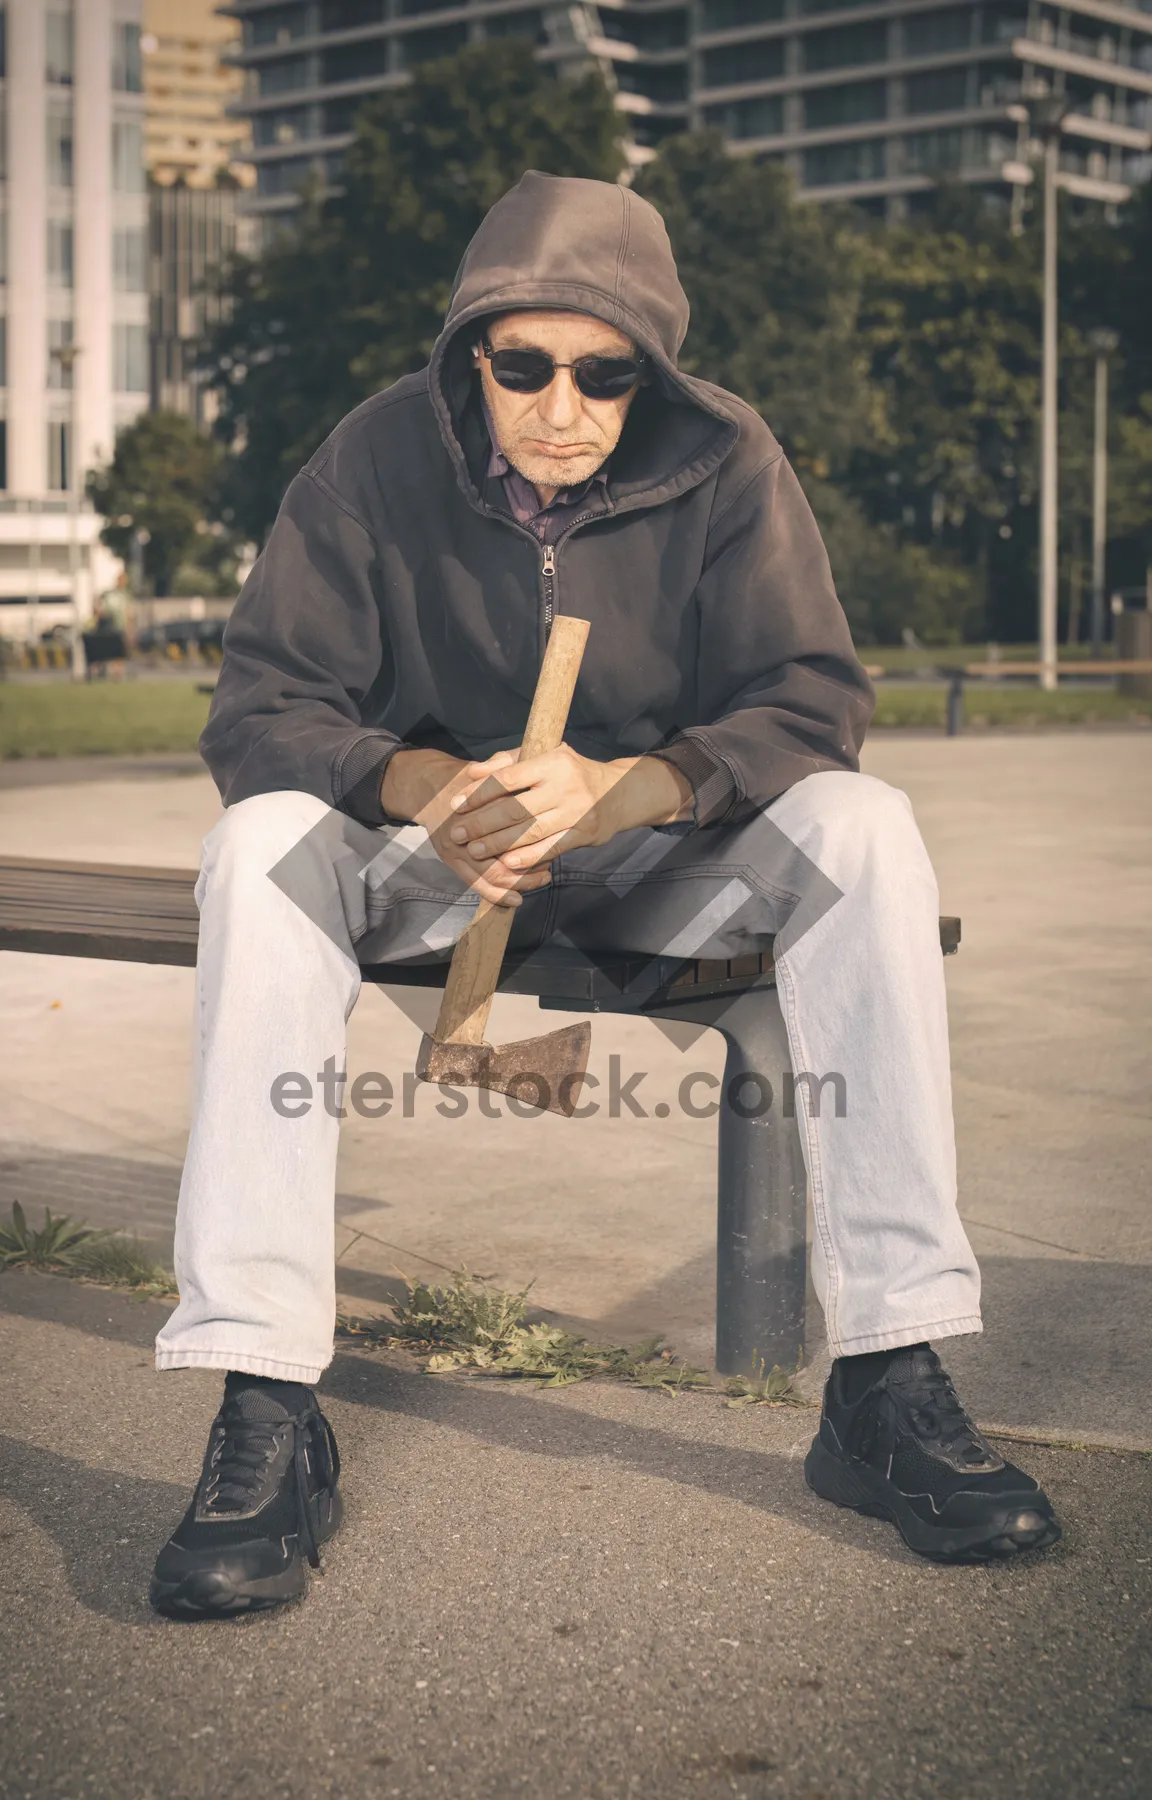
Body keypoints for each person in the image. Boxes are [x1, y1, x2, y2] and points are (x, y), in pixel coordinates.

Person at [148, 172, 1059, 1620]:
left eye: (604, 375)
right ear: (472, 356)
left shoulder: (732, 460)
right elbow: (262, 707)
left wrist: (621, 787)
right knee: (257, 846)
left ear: (652, 379)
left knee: (868, 828)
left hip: (652, 869)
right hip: (434, 874)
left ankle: (889, 1376)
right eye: (524, 367)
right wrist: (423, 788)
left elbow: (814, 700)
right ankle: (264, 1398)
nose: (561, 408)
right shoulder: (371, 458)